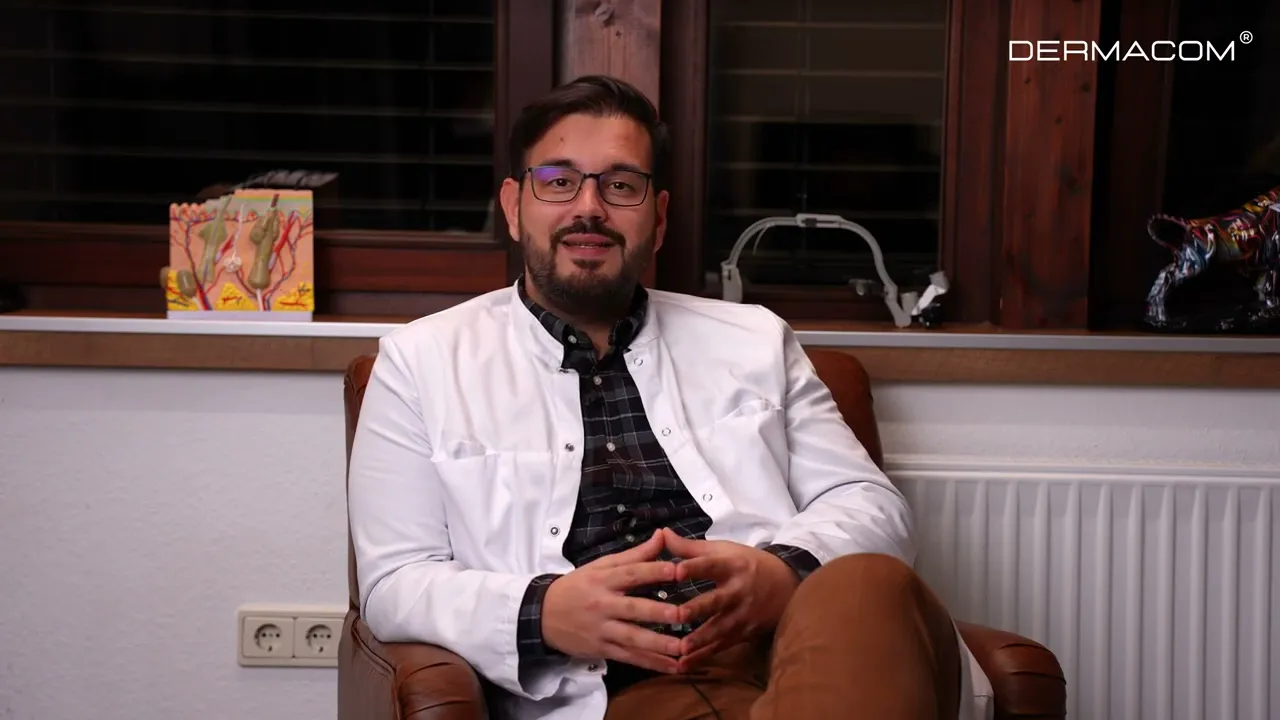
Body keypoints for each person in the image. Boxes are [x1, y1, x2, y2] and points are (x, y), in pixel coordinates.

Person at [347, 75, 993, 720]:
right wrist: (544, 610)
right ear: (515, 207)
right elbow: (395, 583)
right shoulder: (420, 363)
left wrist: (783, 572)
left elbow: (870, 503)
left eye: (620, 185)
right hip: (619, 691)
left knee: (867, 582)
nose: (589, 207)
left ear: (657, 219)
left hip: (796, 650)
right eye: (559, 180)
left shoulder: (756, 339)